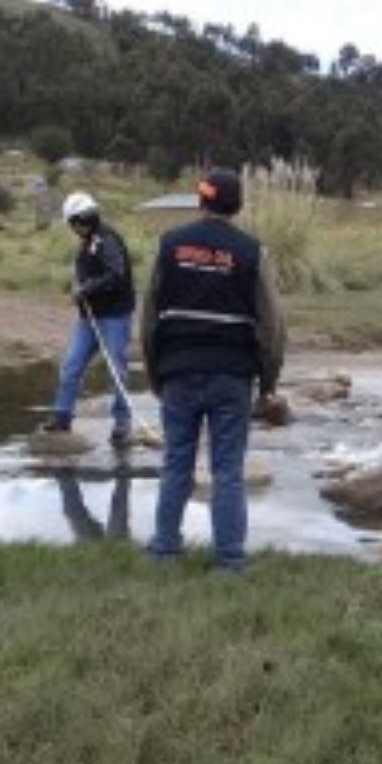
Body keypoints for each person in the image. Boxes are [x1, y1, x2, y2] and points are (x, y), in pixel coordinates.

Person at [141, 167, 286, 571]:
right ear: (236, 204)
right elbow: (272, 325)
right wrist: (268, 382)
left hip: (178, 372)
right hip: (232, 376)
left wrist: (156, 373)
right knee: (227, 471)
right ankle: (230, 560)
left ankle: (165, 549)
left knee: (176, 462)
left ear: (202, 200)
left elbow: (149, 318)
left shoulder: (168, 245)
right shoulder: (252, 251)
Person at [43, 192, 137, 446]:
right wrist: (80, 287)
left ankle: (122, 423)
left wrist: (86, 289)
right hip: (90, 318)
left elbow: (116, 275)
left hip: (115, 316)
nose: (74, 229)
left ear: (82, 219)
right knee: (71, 366)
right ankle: (62, 417)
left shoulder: (107, 241)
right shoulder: (88, 242)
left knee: (117, 370)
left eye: (74, 223)